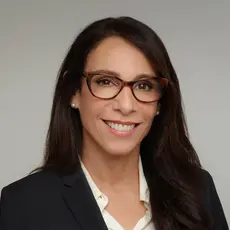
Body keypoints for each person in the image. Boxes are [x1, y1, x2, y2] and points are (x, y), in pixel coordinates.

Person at [0, 16, 228, 230]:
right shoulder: (23, 204)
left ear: (160, 103)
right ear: (74, 92)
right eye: (106, 82)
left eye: (144, 85)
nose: (126, 105)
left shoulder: (197, 191)